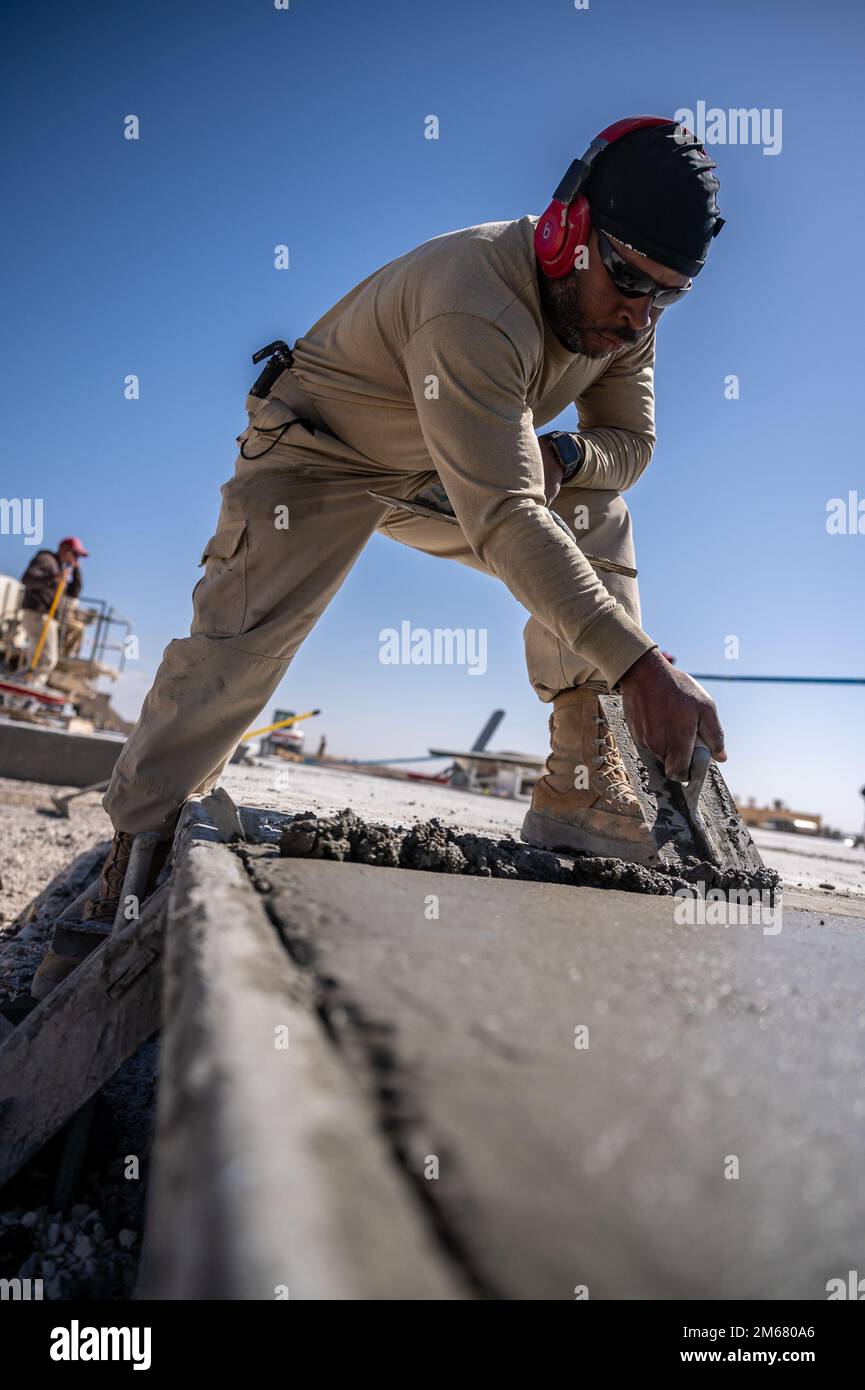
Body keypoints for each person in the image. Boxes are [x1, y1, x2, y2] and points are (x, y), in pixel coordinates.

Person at [32, 116, 728, 995]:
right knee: (235, 654)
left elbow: (629, 441)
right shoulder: (472, 296)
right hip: (318, 457)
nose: (637, 317)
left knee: (597, 511)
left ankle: (579, 784)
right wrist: (638, 664)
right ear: (566, 233)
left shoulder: (629, 313)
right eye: (627, 279)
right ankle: (127, 870)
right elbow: (505, 516)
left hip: (441, 470)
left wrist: (569, 457)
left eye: (666, 297)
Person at [19, 537, 88, 686]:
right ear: (64, 550)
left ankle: (24, 682)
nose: (76, 558)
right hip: (39, 614)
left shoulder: (60, 568)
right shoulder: (47, 560)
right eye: (75, 554)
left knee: (36, 658)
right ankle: (33, 686)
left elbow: (74, 592)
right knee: (49, 658)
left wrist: (75, 569)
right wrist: (54, 578)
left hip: (45, 617)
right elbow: (28, 579)